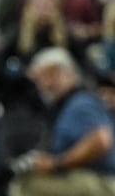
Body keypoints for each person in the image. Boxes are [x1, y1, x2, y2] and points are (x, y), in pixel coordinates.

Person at [9, 47, 115, 196]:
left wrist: (57, 164)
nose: (44, 84)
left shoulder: (81, 102)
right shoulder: (66, 106)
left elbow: (101, 140)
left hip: (103, 182)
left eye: (50, 76)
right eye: (40, 79)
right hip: (91, 179)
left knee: (28, 184)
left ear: (67, 74)